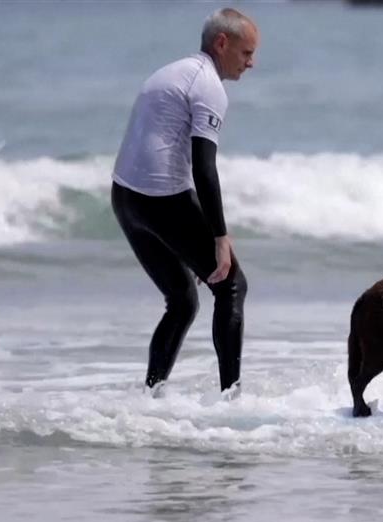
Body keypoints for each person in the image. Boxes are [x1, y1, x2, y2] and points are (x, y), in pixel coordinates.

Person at [110, 8, 258, 399]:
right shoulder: (208, 85)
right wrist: (218, 237)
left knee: (181, 300)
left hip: (125, 198)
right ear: (221, 43)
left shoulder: (172, 71)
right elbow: (203, 168)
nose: (251, 63)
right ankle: (232, 400)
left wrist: (194, 236)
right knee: (230, 286)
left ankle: (151, 398)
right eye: (246, 53)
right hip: (161, 200)